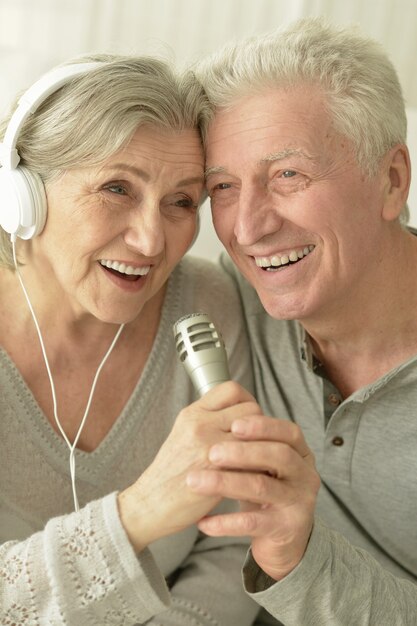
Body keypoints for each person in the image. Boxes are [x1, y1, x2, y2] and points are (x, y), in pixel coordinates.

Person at [0, 55, 261, 625]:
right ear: (23, 195)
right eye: (117, 188)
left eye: (183, 202)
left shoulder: (207, 305)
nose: (150, 241)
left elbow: (231, 545)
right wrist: (137, 514)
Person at [186, 17, 417, 625]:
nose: (248, 227)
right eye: (225, 187)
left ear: (391, 182)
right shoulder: (230, 299)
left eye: (289, 174)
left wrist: (297, 559)